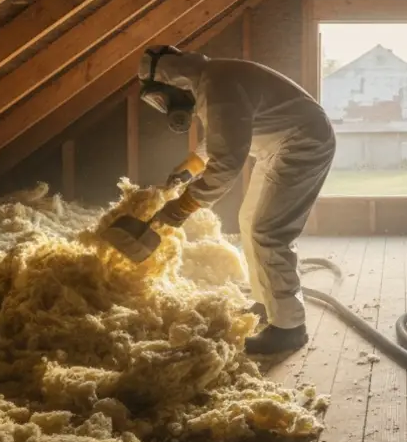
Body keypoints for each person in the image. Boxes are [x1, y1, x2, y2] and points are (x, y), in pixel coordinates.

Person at [137, 45, 336, 355]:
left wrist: (182, 208)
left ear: (176, 83)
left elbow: (227, 164)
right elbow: (223, 134)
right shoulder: (212, 80)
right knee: (250, 221)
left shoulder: (218, 87)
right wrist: (188, 169)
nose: (165, 108)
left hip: (303, 143)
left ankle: (289, 328)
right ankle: (266, 302)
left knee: (268, 232)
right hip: (282, 144)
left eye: (161, 98)